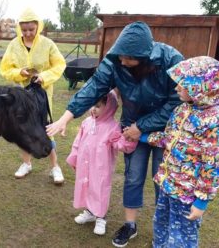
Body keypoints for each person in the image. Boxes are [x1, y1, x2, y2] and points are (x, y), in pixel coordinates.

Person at [46, 21, 184, 247]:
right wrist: (66, 116)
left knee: (163, 180)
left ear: (144, 55)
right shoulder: (115, 59)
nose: (122, 61)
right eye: (120, 56)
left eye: (128, 58)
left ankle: (164, 228)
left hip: (165, 130)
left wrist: (143, 125)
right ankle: (130, 225)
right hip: (131, 129)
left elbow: (176, 102)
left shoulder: (170, 59)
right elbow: (95, 86)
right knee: (133, 176)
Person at [138, 56, 219, 247]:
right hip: (168, 184)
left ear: (200, 87)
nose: (176, 88)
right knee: (161, 227)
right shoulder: (182, 109)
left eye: (182, 85)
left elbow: (212, 165)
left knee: (181, 238)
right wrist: (142, 137)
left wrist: (201, 202)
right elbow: (169, 138)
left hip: (187, 194)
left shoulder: (213, 121)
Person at [0, 8, 66, 184]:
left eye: (31, 29)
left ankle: (54, 167)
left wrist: (44, 77)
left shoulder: (48, 44)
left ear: (38, 27)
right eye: (25, 30)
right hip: (22, 95)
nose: (28, 33)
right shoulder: (13, 45)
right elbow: (5, 69)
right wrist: (19, 72)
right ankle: (26, 163)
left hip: (42, 95)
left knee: (46, 128)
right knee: (23, 129)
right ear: (19, 28)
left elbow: (60, 65)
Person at [67, 91, 137, 235]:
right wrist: (74, 156)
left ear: (109, 107)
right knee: (86, 186)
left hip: (101, 167)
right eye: (92, 105)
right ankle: (89, 212)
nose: (93, 108)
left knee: (99, 189)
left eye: (98, 106)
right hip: (85, 164)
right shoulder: (86, 122)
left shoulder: (112, 126)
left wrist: (129, 140)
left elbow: (119, 143)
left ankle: (101, 217)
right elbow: (78, 141)